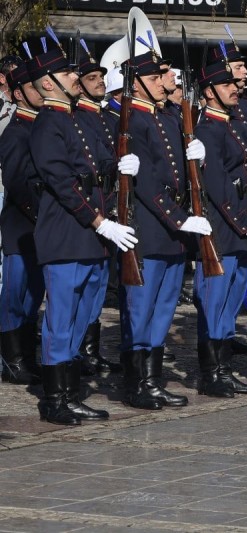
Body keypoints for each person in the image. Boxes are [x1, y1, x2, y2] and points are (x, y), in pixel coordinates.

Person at [29, 32, 139, 425]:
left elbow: (98, 165)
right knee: (62, 318)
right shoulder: (47, 124)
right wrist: (99, 221)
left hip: (93, 235)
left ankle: (71, 390)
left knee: (86, 313)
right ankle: (55, 399)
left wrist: (121, 167)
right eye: (67, 73)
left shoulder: (79, 118)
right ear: (47, 83)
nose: (76, 78)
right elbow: (60, 182)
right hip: (67, 234)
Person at [116, 47, 209, 410]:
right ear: (135, 84)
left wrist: (196, 161)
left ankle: (152, 380)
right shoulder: (131, 121)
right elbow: (148, 182)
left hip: (174, 228)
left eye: (160, 77)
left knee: (165, 307)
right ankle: (137, 383)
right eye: (154, 78)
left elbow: (179, 173)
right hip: (149, 226)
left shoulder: (169, 116)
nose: (161, 84)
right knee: (140, 308)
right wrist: (179, 217)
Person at [193, 54, 247, 397]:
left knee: (229, 304)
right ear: (209, 92)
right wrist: (246, 223)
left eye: (233, 83)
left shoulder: (235, 123)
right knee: (214, 302)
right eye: (226, 84)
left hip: (242, 226)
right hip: (223, 228)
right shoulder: (206, 129)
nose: (233, 88)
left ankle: (223, 369)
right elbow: (216, 184)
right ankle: (212, 374)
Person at [73, 40, 124, 377]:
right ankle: (76, 351)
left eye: (101, 77)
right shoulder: (78, 116)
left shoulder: (106, 115)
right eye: (92, 78)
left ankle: (90, 349)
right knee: (81, 287)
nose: (100, 81)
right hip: (90, 208)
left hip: (110, 203)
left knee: (99, 283)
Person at [0, 62, 44, 385]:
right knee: (15, 298)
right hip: (20, 227)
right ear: (18, 93)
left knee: (33, 296)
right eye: (33, 86)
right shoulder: (16, 132)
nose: (41, 90)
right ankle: (11, 359)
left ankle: (27, 355)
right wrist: (41, 214)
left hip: (39, 230)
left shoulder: (41, 126)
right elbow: (16, 183)